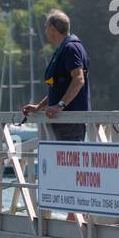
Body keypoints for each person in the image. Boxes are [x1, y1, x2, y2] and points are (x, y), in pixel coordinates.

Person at [22, 10, 89, 141]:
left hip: (70, 120)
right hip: (62, 119)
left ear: (52, 29)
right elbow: (59, 87)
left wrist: (60, 105)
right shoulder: (63, 48)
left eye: (46, 27)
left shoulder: (71, 48)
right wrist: (39, 106)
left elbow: (79, 79)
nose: (45, 31)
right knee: (60, 160)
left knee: (70, 159)